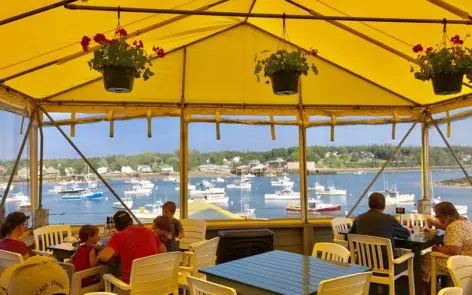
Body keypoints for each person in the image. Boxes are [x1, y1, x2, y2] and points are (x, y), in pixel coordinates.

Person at [98, 211, 166, 283]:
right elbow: (163, 250)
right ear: (131, 221)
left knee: (111, 281)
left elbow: (104, 257)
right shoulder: (148, 231)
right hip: (155, 281)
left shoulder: (118, 236)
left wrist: (100, 252)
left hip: (132, 285)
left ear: (116, 226)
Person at [420, 201, 472, 295]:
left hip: (458, 262)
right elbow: (453, 232)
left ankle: (423, 292)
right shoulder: (464, 220)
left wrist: (437, 249)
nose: (436, 218)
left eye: (437, 216)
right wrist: (438, 225)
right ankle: (442, 285)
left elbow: (454, 251)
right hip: (468, 259)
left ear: (445, 216)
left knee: (425, 259)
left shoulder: (453, 227)